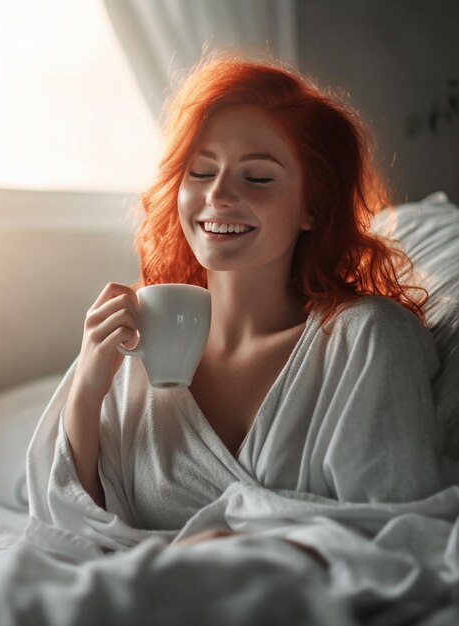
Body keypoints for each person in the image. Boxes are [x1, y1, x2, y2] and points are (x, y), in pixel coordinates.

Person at [26, 54, 443, 552]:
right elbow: (72, 530)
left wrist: (232, 548)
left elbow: (403, 535)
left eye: (258, 178)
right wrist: (89, 388)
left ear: (313, 205)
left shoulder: (366, 338)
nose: (218, 194)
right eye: (200, 173)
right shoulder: (138, 343)